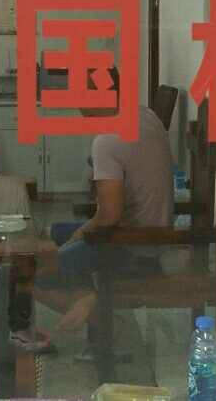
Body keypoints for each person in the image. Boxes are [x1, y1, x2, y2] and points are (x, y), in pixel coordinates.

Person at [36, 68, 174, 361]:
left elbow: (108, 216)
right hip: (154, 233)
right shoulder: (146, 115)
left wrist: (79, 235)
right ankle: (89, 299)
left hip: (132, 245)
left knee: (35, 270)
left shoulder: (107, 140)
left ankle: (102, 318)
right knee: (49, 233)